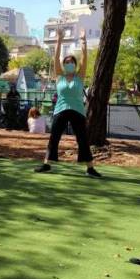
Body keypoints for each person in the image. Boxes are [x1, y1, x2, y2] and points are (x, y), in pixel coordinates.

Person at [34, 28, 102, 178]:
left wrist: (83, 40)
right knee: (54, 137)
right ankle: (47, 164)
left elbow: (85, 58)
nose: (69, 63)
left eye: (71, 62)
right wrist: (59, 39)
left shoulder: (80, 76)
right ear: (64, 65)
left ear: (75, 65)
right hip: (61, 110)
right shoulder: (59, 76)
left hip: (78, 111)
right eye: (67, 62)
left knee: (83, 139)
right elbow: (56, 57)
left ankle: (90, 168)